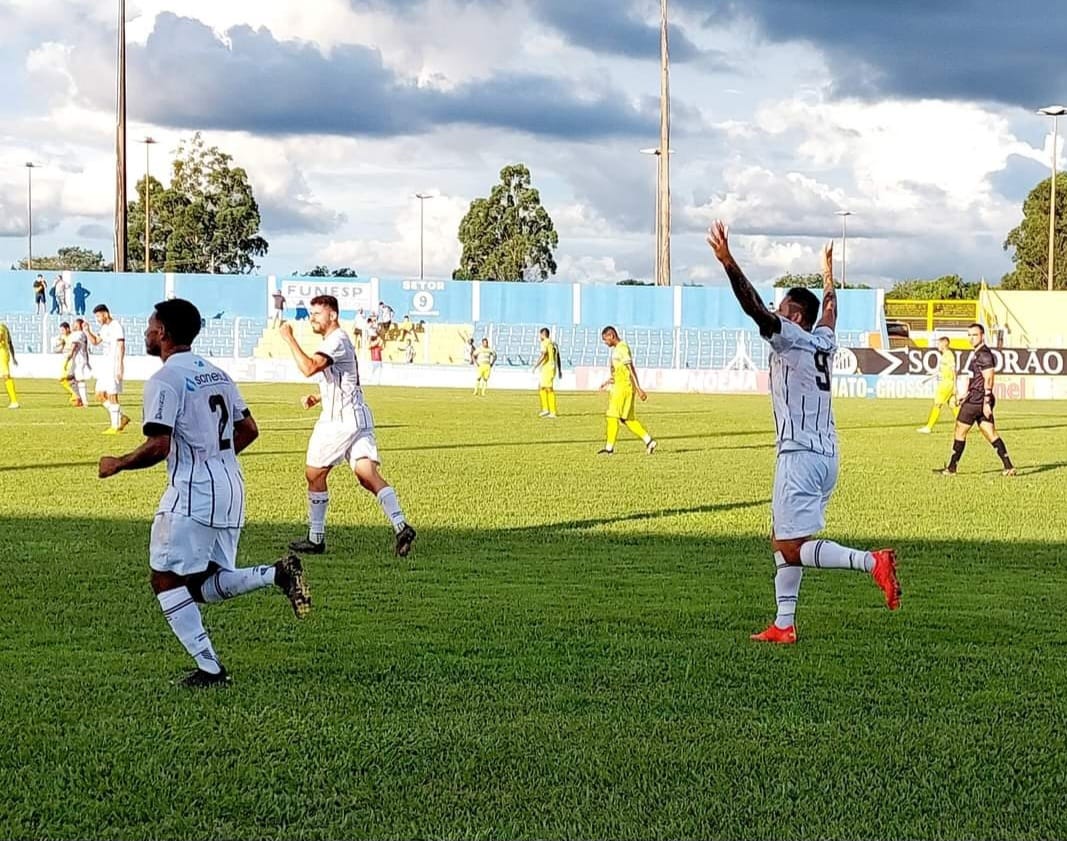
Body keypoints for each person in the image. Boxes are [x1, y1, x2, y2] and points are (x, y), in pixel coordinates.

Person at [98, 298, 311, 688]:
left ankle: (211, 670)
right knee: (202, 584)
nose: (146, 332)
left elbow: (159, 445)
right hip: (231, 488)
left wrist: (119, 463)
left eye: (150, 325)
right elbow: (249, 431)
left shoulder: (164, 380)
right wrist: (215, 457)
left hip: (193, 493)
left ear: (162, 332)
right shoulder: (216, 373)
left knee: (164, 579)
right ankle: (274, 574)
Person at [707, 221, 900, 644]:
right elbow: (830, 309)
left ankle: (872, 562)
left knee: (791, 546)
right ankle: (783, 623)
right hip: (826, 454)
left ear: (795, 316)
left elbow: (753, 308)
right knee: (781, 538)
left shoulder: (790, 338)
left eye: (782, 307)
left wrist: (728, 262)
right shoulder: (823, 339)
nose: (775, 310)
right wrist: (828, 274)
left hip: (798, 454)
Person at [279, 295, 416, 557]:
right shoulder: (337, 342)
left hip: (339, 421)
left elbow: (309, 368)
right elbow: (345, 379)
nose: (313, 319)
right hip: (357, 415)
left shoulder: (336, 340)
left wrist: (288, 337)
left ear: (332, 315)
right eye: (312, 314)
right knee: (367, 475)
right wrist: (317, 397)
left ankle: (316, 538)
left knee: (314, 474)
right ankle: (401, 526)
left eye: (318, 314)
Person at [938, 323, 1016, 477]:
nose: (971, 338)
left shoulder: (984, 354)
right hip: (975, 397)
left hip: (977, 400)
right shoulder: (977, 353)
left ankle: (952, 468)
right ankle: (1009, 466)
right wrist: (964, 395)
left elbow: (989, 379)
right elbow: (977, 379)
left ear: (982, 336)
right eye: (969, 335)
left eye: (974, 335)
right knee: (990, 432)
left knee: (960, 430)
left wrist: (986, 401)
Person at [597, 326, 656, 455]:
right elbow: (620, 371)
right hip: (624, 387)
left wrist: (639, 388)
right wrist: (608, 381)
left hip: (622, 388)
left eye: (605, 339)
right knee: (627, 419)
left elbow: (630, 368)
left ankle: (609, 449)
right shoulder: (618, 349)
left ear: (611, 336)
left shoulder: (622, 348)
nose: (605, 343)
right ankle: (649, 441)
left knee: (612, 416)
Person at [84, 304, 129, 434]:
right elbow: (95, 341)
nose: (97, 319)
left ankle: (115, 426)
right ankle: (121, 417)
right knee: (99, 394)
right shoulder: (104, 328)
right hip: (105, 365)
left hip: (113, 364)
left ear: (105, 314)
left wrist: (120, 366)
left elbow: (121, 346)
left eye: (98, 316)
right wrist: (87, 331)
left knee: (112, 394)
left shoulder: (116, 326)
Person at [918, 336, 959, 433]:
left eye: (939, 344)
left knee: (937, 404)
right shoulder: (945, 356)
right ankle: (963, 425)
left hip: (946, 383)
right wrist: (929, 378)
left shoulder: (949, 355)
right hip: (947, 383)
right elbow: (941, 371)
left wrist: (955, 386)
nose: (938, 346)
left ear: (944, 344)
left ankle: (929, 427)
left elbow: (954, 371)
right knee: (953, 405)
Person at [532, 327, 560, 418]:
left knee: (548, 388)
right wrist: (559, 369)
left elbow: (544, 354)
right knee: (541, 387)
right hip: (550, 367)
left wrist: (536, 365)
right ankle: (545, 409)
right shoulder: (553, 343)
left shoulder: (545, 342)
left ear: (543, 334)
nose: (539, 336)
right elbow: (557, 356)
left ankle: (552, 412)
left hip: (548, 367)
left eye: (540, 334)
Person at [66, 318, 92, 407]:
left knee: (79, 380)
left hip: (78, 360)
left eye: (75, 324)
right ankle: (79, 398)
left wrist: (69, 356)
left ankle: (84, 402)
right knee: (70, 378)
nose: (72, 325)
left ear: (78, 325)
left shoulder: (79, 334)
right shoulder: (81, 334)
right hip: (79, 359)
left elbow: (74, 345)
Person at [0, 321, 19, 408]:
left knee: (6, 376)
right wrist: (13, 357)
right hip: (4, 352)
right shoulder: (4, 326)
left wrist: (13, 357)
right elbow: (10, 343)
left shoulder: (1, 327)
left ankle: (14, 401)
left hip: (2, 352)